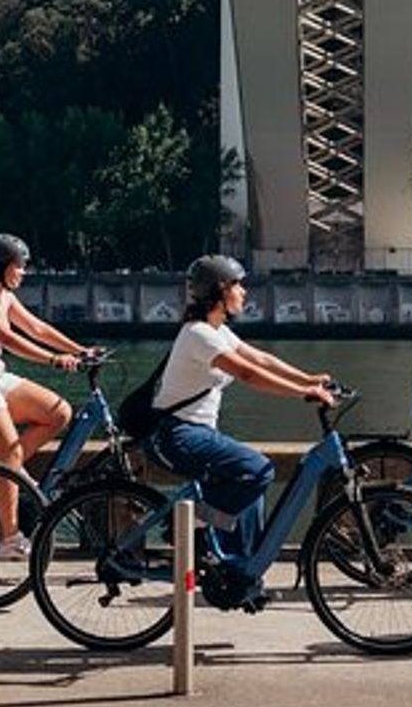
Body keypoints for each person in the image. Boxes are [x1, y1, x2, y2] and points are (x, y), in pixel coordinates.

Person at [145, 255, 332, 609]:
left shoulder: (217, 330)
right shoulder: (199, 334)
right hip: (178, 434)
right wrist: (303, 393)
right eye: (238, 285)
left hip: (195, 432)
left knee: (251, 488)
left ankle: (242, 574)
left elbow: (259, 359)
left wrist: (308, 378)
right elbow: (248, 374)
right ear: (219, 290)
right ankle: (192, 523)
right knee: (257, 469)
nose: (244, 291)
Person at [0, 233, 94, 559]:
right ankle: (10, 538)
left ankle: (4, 467)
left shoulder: (4, 294)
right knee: (8, 454)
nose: (23, 272)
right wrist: (53, 359)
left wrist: (81, 350)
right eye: (19, 266)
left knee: (58, 413)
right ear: (4, 266)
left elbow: (37, 328)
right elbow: (7, 338)